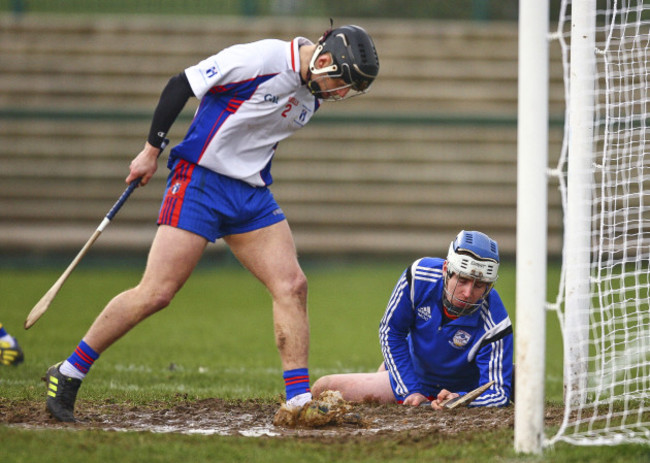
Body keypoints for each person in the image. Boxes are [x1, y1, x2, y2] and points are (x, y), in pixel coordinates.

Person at [44, 24, 380, 422]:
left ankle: (297, 403)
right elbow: (180, 84)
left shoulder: (313, 90)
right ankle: (67, 373)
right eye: (343, 83)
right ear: (323, 61)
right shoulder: (261, 59)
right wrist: (151, 150)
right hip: (199, 182)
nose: (341, 94)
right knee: (156, 293)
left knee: (292, 286)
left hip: (250, 194)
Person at [312, 230, 513, 409]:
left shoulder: (496, 322)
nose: (468, 293)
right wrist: (410, 390)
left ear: (488, 287)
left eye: (479, 285)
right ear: (446, 270)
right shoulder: (419, 276)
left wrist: (458, 399)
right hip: (415, 374)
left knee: (520, 377)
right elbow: (391, 331)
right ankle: (391, 377)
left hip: (461, 389)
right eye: (463, 280)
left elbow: (497, 393)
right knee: (323, 389)